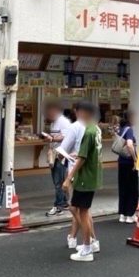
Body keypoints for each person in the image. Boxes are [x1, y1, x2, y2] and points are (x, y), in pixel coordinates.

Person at [64, 102, 103, 262]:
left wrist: (68, 178)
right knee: (82, 210)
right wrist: (78, 155)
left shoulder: (88, 132)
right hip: (92, 175)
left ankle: (88, 247)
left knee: (82, 211)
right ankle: (90, 243)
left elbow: (83, 158)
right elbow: (87, 154)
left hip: (84, 178)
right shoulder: (96, 129)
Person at [60, 102, 87, 249]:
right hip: (90, 173)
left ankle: (90, 239)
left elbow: (63, 149)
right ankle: (72, 237)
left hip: (75, 170)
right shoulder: (94, 128)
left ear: (76, 111)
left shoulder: (75, 127)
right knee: (81, 207)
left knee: (76, 207)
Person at [42, 101, 72, 217]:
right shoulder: (53, 123)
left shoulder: (63, 122)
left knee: (58, 181)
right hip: (54, 154)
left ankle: (59, 205)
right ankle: (63, 203)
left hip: (61, 155)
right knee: (58, 180)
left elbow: (66, 136)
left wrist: (52, 139)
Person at [115, 112, 138, 224]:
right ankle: (131, 214)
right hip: (129, 163)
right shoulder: (129, 130)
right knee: (132, 188)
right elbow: (129, 144)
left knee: (123, 188)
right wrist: (135, 159)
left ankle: (122, 214)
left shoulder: (121, 129)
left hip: (121, 162)